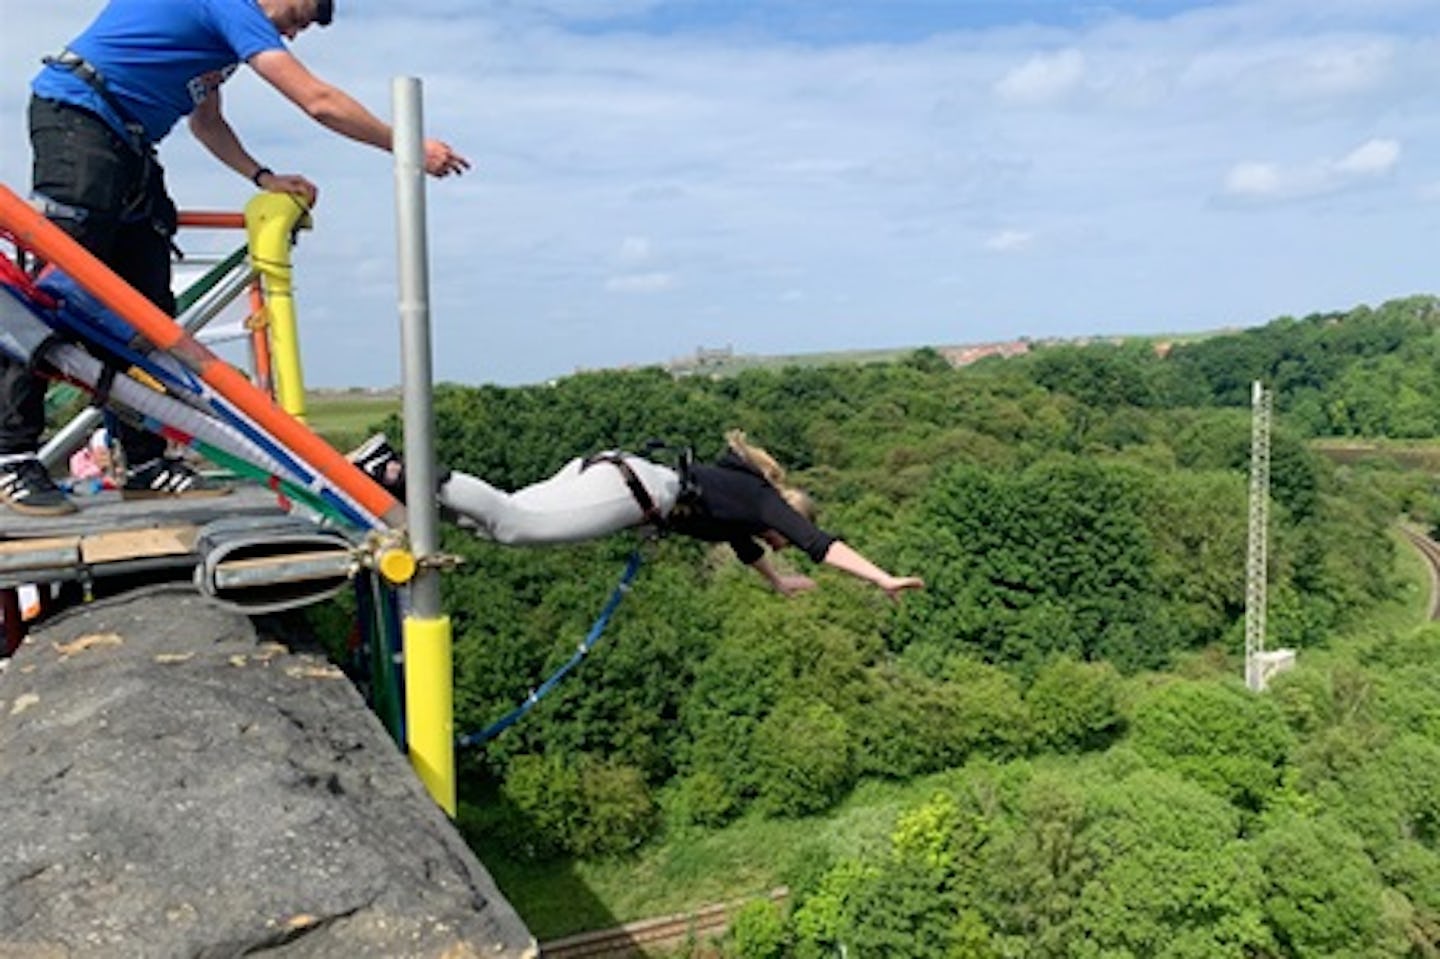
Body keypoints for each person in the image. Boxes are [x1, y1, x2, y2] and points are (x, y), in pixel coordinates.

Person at [0, 0, 470, 517]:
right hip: (80, 118)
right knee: (57, 291)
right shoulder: (228, 4)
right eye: (301, 15)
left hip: (127, 142)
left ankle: (142, 461)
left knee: (145, 309)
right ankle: (11, 455)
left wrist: (262, 177)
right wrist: (407, 145)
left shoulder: (220, 37)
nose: (296, 32)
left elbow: (209, 124)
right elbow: (317, 100)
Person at [350, 431, 926, 599]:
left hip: (614, 473)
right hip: (636, 490)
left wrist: (778, 583)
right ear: (784, 517)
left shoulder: (746, 520)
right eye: (781, 543)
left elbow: (749, 551)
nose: (779, 546)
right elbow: (822, 544)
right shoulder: (762, 503)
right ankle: (398, 469)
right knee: (514, 525)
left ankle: (390, 482)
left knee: (493, 520)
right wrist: (881, 578)